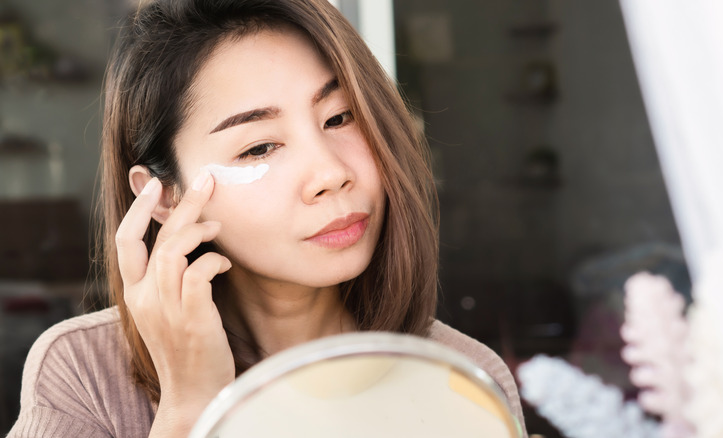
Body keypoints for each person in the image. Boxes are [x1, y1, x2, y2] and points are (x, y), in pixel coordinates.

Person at [10, 0, 527, 436]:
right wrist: (191, 407)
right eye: (259, 147)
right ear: (163, 197)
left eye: (339, 117)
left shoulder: (464, 381)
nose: (330, 172)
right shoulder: (82, 375)